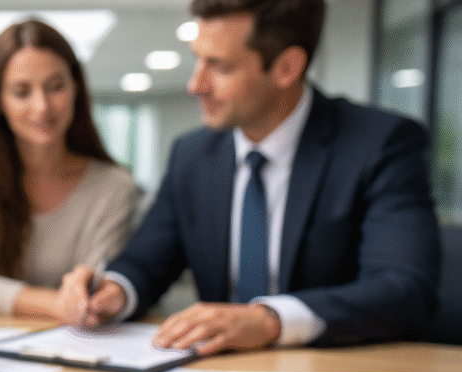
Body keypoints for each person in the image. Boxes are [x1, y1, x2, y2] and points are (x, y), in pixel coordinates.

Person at [59, 0, 440, 353]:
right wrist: (114, 291)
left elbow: (403, 290)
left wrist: (269, 320)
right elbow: (147, 260)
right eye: (198, 61)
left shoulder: (381, 144)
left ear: (286, 68)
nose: (196, 85)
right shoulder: (191, 155)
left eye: (221, 67)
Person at [0, 19, 140, 319]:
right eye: (21, 92)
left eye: (55, 87)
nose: (42, 106)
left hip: (76, 343)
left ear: (76, 89)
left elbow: (95, 288)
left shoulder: (114, 186)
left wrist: (84, 302)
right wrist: (58, 304)